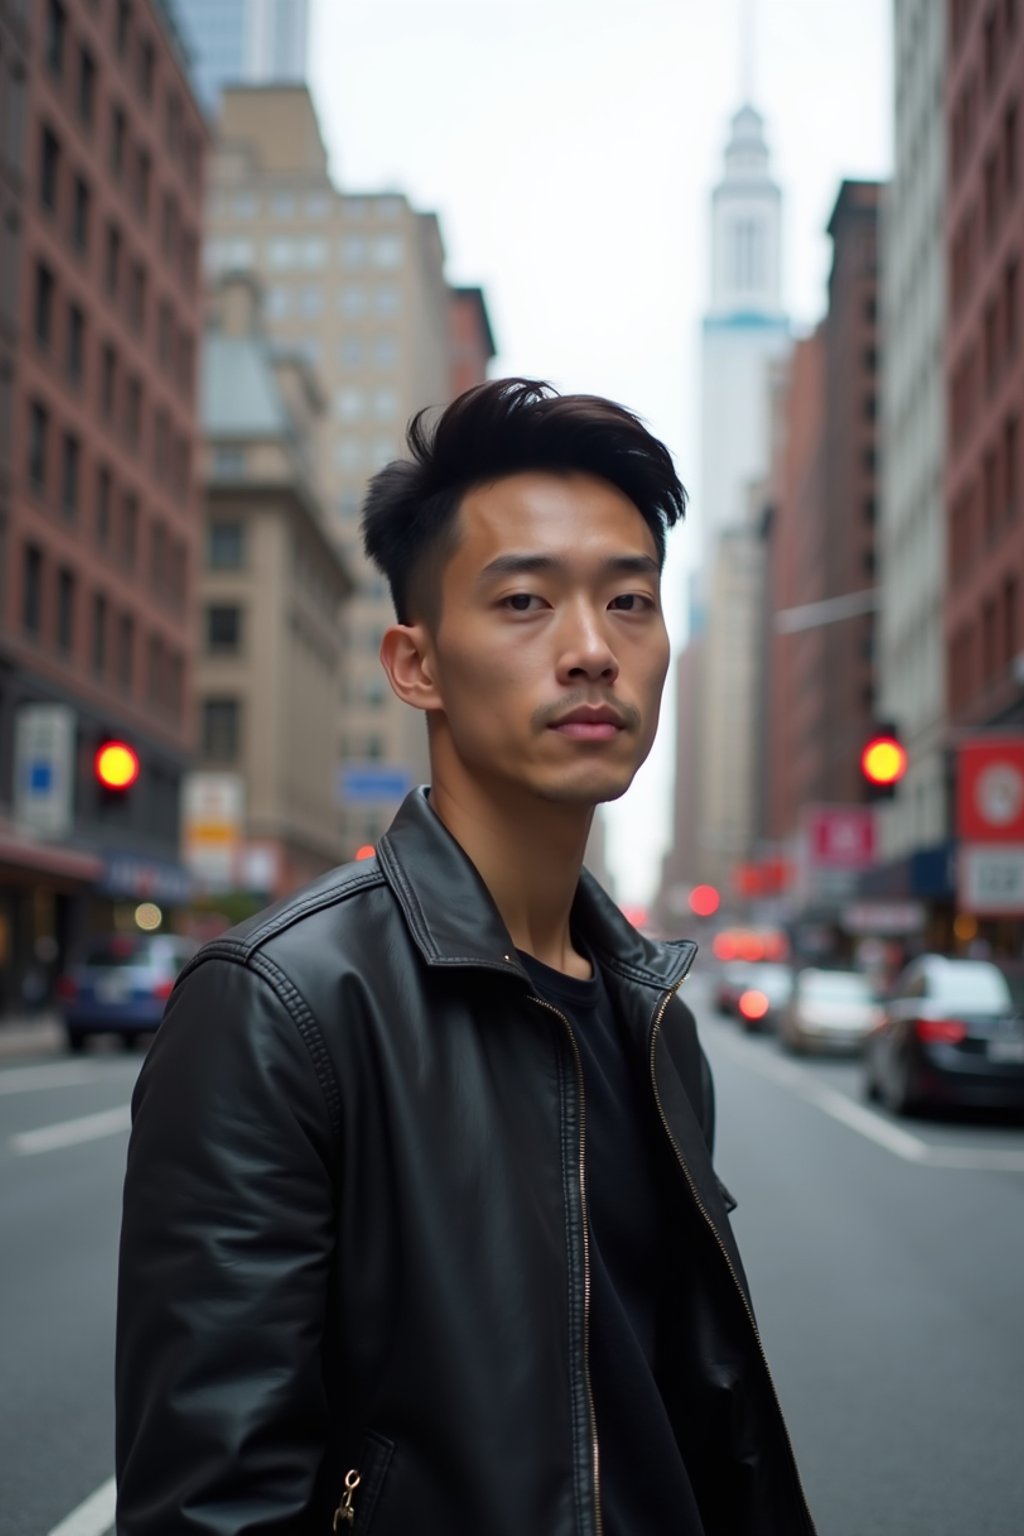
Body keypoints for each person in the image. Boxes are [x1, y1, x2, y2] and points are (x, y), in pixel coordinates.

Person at [115, 378, 815, 1535]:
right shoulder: (280, 1009)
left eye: (630, 600)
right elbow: (212, 1504)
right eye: (527, 600)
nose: (593, 650)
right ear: (416, 663)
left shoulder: (657, 1018)